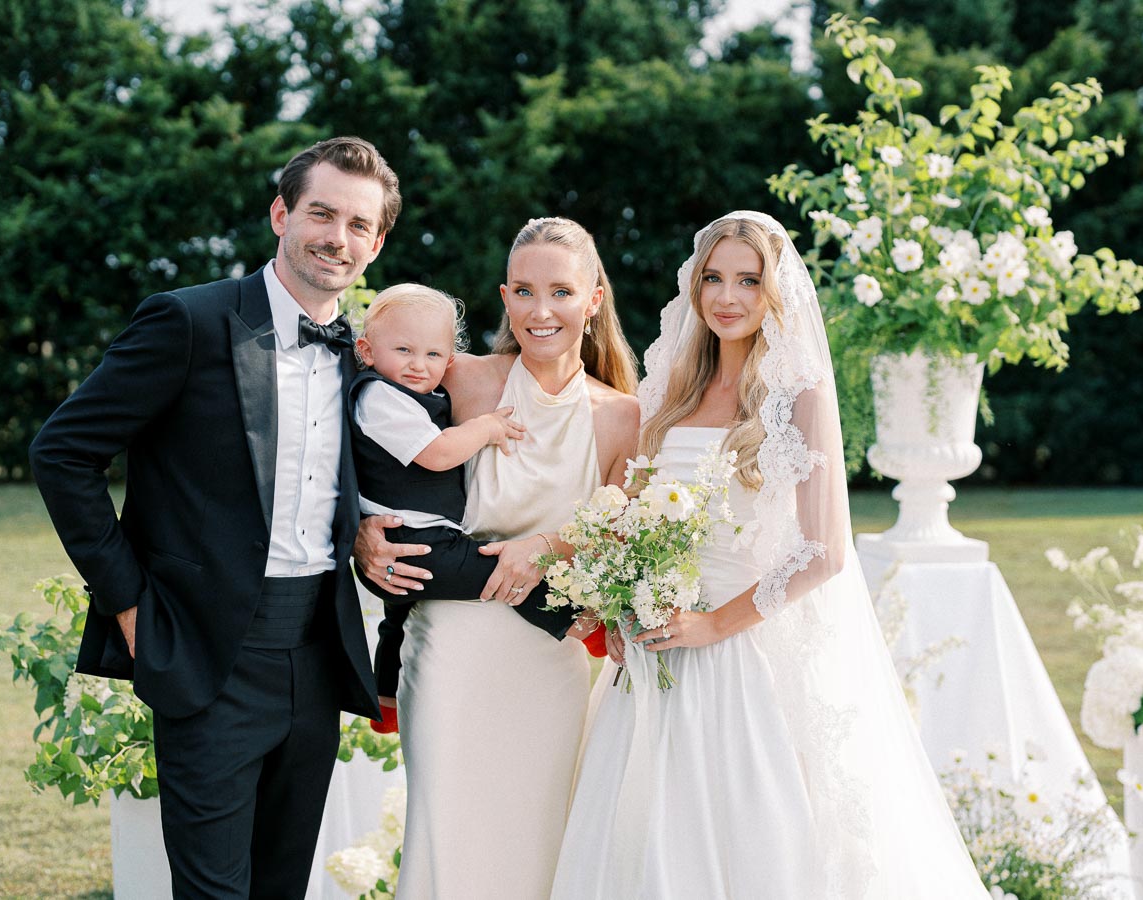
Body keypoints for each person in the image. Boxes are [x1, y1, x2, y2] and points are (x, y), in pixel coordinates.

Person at [549, 212, 991, 899]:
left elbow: (825, 552)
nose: (727, 297)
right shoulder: (669, 395)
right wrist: (616, 593)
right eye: (714, 279)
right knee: (639, 836)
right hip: (652, 650)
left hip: (737, 651)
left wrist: (710, 625)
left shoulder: (798, 397)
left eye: (749, 280)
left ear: (777, 291)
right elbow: (629, 516)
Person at [29, 136, 397, 899]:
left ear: (377, 240)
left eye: (359, 224)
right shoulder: (188, 322)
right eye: (321, 213)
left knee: (281, 887)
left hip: (317, 653)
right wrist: (130, 605)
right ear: (280, 215)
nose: (338, 237)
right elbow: (62, 453)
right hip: (205, 650)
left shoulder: (361, 355)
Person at [354, 217, 641, 900]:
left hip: (553, 656)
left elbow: (626, 534)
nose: (542, 311)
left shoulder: (623, 414)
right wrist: (362, 531)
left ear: (593, 298)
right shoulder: (463, 380)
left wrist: (549, 545)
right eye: (524, 291)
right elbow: (364, 446)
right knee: (447, 833)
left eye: (561, 292)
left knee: (543, 835)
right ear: (505, 297)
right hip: (454, 643)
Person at [345, 283, 570, 719]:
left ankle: (385, 700)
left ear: (449, 360)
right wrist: (486, 428)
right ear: (367, 351)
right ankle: (576, 622)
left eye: (432, 356)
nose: (417, 365)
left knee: (397, 621)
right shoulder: (379, 397)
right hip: (412, 539)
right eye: (404, 350)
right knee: (494, 568)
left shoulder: (412, 395)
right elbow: (439, 453)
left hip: (414, 539)